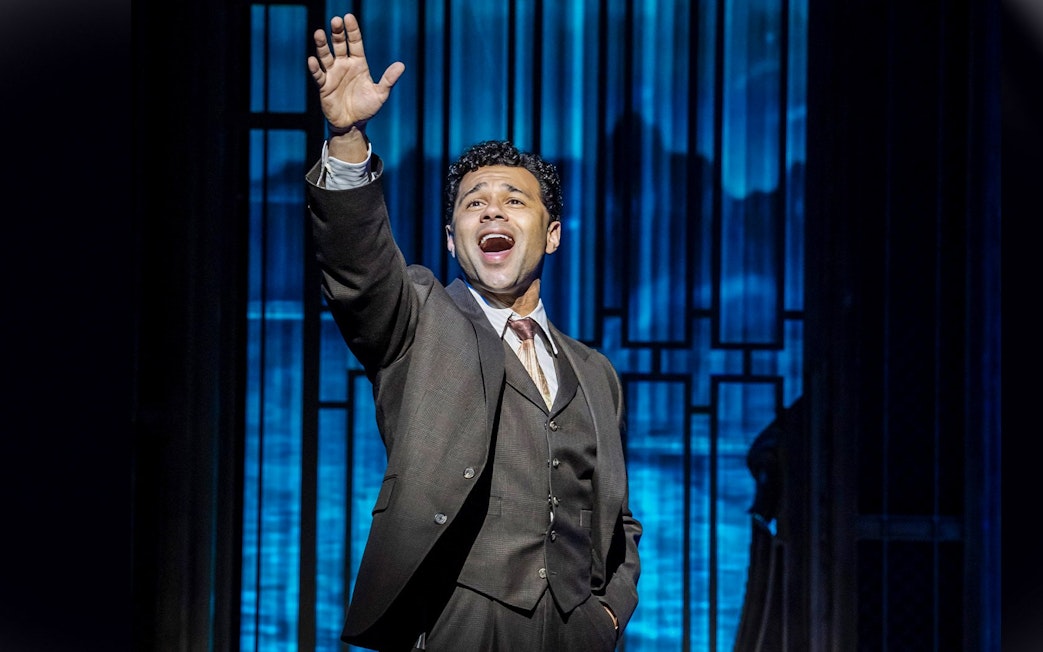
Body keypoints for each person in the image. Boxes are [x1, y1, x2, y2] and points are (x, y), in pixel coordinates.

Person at [305, 13, 641, 651]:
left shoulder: (596, 372)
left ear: (552, 234)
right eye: (474, 202)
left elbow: (617, 516)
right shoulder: (420, 318)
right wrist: (347, 138)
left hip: (577, 630)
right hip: (460, 620)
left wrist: (609, 616)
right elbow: (358, 265)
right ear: (452, 239)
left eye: (515, 201)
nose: (492, 210)